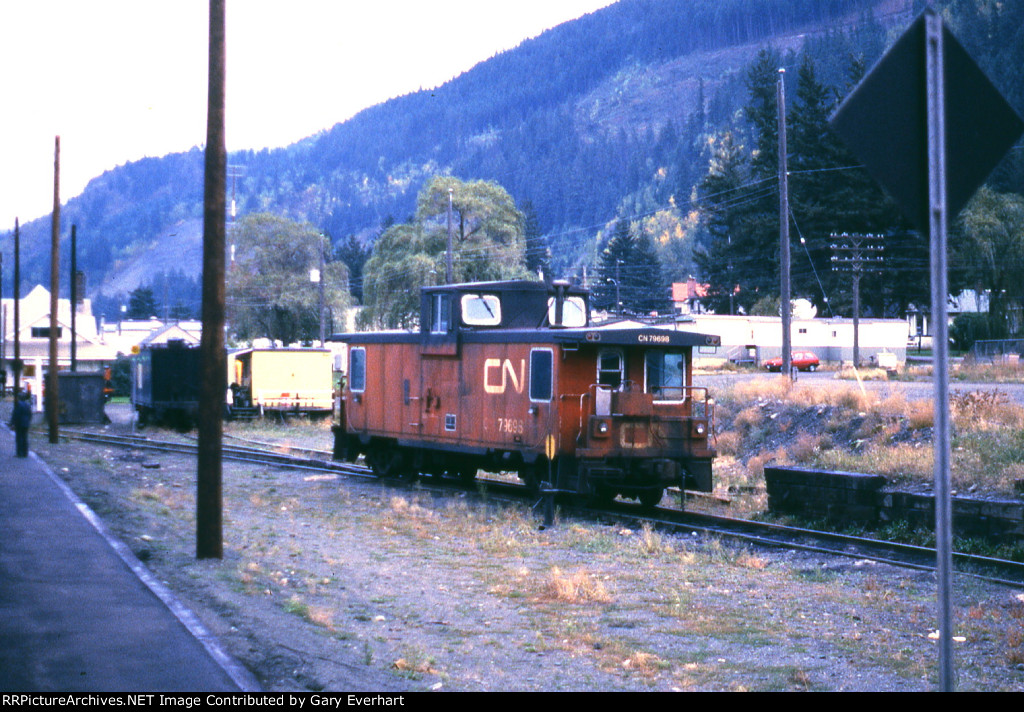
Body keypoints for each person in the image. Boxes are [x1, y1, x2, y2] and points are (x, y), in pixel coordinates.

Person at [10, 391, 32, 458]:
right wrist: (28, 421)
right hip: (26, 423)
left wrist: (12, 423)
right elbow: (30, 414)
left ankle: (19, 453)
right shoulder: (28, 405)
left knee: (19, 438)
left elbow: (15, 414)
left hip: (19, 424)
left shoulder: (18, 405)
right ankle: (25, 453)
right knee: (25, 438)